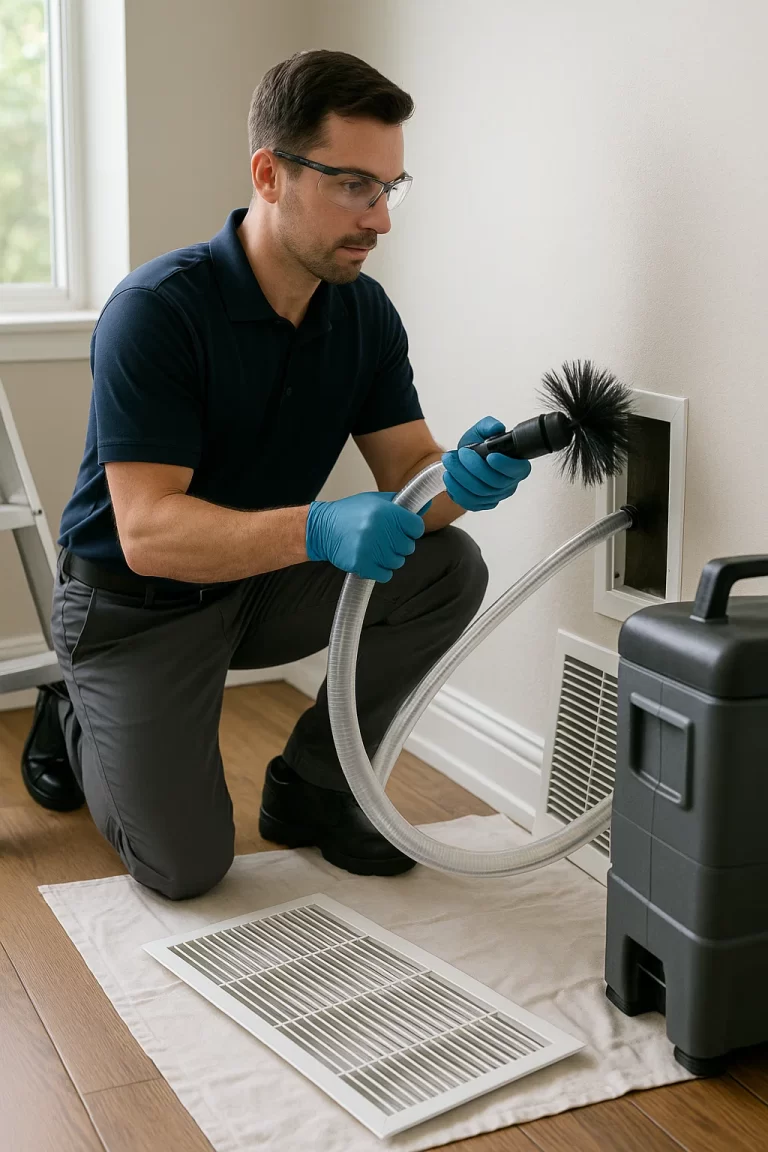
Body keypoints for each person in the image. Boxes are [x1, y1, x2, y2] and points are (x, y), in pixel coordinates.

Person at [21, 50, 530, 899]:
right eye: (354, 186)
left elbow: (413, 472)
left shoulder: (363, 313)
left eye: (390, 188)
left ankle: (315, 787)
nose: (380, 219)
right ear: (269, 174)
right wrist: (321, 525)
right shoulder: (158, 312)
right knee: (184, 868)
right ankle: (72, 708)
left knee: (448, 567)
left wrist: (462, 478)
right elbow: (147, 533)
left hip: (257, 585)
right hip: (132, 611)